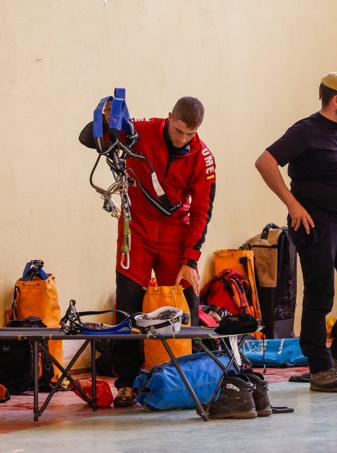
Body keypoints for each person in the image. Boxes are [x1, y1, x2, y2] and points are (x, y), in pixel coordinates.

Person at [79, 96, 215, 406]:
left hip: (176, 233)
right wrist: (104, 118)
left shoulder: (202, 157)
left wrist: (191, 259)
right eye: (178, 130)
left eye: (190, 134)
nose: (183, 139)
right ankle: (126, 382)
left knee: (184, 304)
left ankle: (189, 376)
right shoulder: (142, 131)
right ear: (169, 118)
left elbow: (202, 211)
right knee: (128, 304)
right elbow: (88, 139)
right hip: (136, 229)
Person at [255, 72, 337, 392]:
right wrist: (293, 205)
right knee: (321, 296)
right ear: (336, 100)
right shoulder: (305, 131)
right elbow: (265, 162)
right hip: (317, 223)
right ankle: (320, 369)